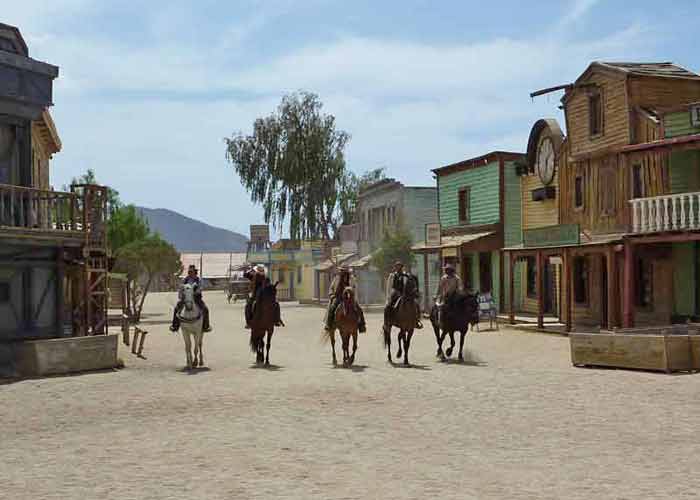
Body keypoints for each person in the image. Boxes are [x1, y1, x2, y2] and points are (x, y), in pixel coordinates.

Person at [170, 265, 211, 332]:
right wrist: (180, 295)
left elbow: (200, 288)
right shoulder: (185, 280)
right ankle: (175, 326)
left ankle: (206, 326)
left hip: (196, 298)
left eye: (191, 271)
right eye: (189, 272)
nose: (190, 273)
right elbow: (181, 288)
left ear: (195, 272)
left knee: (205, 309)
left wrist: (196, 292)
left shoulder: (198, 280)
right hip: (186, 298)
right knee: (176, 308)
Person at [325, 266, 366, 333]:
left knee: (359, 309)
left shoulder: (352, 279)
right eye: (342, 271)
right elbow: (331, 288)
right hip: (339, 297)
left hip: (350, 298)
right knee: (332, 308)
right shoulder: (336, 278)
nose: (344, 273)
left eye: (345, 271)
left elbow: (355, 288)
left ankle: (362, 326)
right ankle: (329, 325)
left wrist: (353, 296)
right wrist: (331, 295)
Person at [384, 261, 423, 329]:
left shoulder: (406, 275)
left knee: (416, 304)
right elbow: (390, 286)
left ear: (402, 267)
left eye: (400, 267)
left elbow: (409, 284)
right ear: (395, 268)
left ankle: (417, 320)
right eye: (397, 267)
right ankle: (387, 322)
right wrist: (389, 297)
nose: (398, 268)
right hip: (395, 292)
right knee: (388, 306)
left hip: (404, 293)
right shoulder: (393, 275)